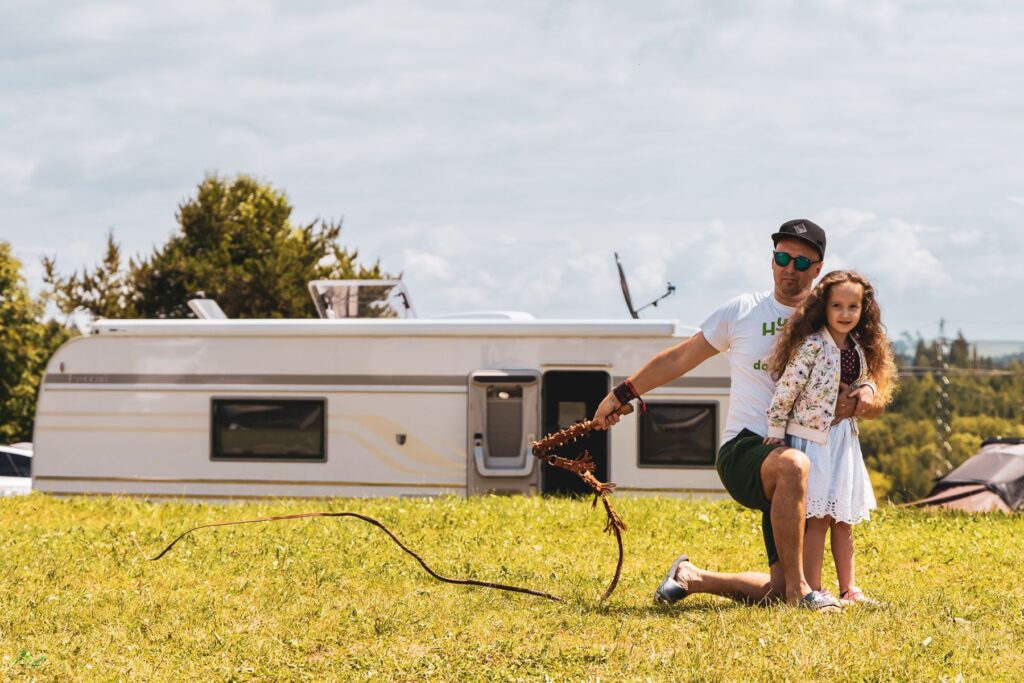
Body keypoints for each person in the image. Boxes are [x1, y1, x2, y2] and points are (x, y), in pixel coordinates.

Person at [593, 219, 884, 611]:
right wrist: (623, 393)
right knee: (792, 466)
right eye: (783, 257)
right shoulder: (743, 310)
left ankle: (693, 576)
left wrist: (864, 400)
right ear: (772, 260)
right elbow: (682, 357)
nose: (790, 268)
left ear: (818, 269)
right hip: (748, 448)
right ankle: (804, 593)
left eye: (802, 262)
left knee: (775, 591)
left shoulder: (834, 319)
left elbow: (878, 387)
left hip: (808, 456)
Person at [762, 270, 897, 606]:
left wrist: (867, 386)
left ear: (862, 310)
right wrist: (776, 431)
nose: (845, 313)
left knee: (842, 518)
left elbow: (865, 380)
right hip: (813, 440)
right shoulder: (812, 346)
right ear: (823, 307)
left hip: (843, 440)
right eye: (837, 305)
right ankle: (815, 588)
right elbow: (787, 390)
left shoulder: (856, 348)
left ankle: (848, 588)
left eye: (853, 306)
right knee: (818, 518)